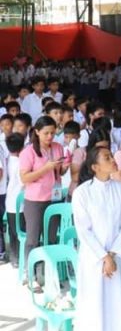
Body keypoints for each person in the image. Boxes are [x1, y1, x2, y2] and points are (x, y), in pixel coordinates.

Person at [70, 146, 121, 331]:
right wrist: (104, 256)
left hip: (117, 259)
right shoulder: (83, 193)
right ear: (95, 167)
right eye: (107, 158)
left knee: (116, 306)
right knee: (94, 306)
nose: (113, 160)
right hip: (94, 259)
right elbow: (84, 230)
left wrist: (114, 253)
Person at [20, 115, 70, 286]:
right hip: (35, 200)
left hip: (54, 197)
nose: (50, 137)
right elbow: (25, 178)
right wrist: (45, 168)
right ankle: (30, 274)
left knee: (51, 237)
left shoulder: (57, 147)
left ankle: (49, 273)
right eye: (46, 133)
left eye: (53, 133)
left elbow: (59, 173)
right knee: (33, 238)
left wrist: (64, 168)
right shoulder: (28, 152)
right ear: (37, 132)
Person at [3, 133, 25, 268]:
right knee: (20, 230)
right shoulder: (20, 162)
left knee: (12, 231)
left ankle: (14, 257)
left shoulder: (7, 160)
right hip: (20, 202)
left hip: (10, 200)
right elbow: (23, 181)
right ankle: (19, 257)